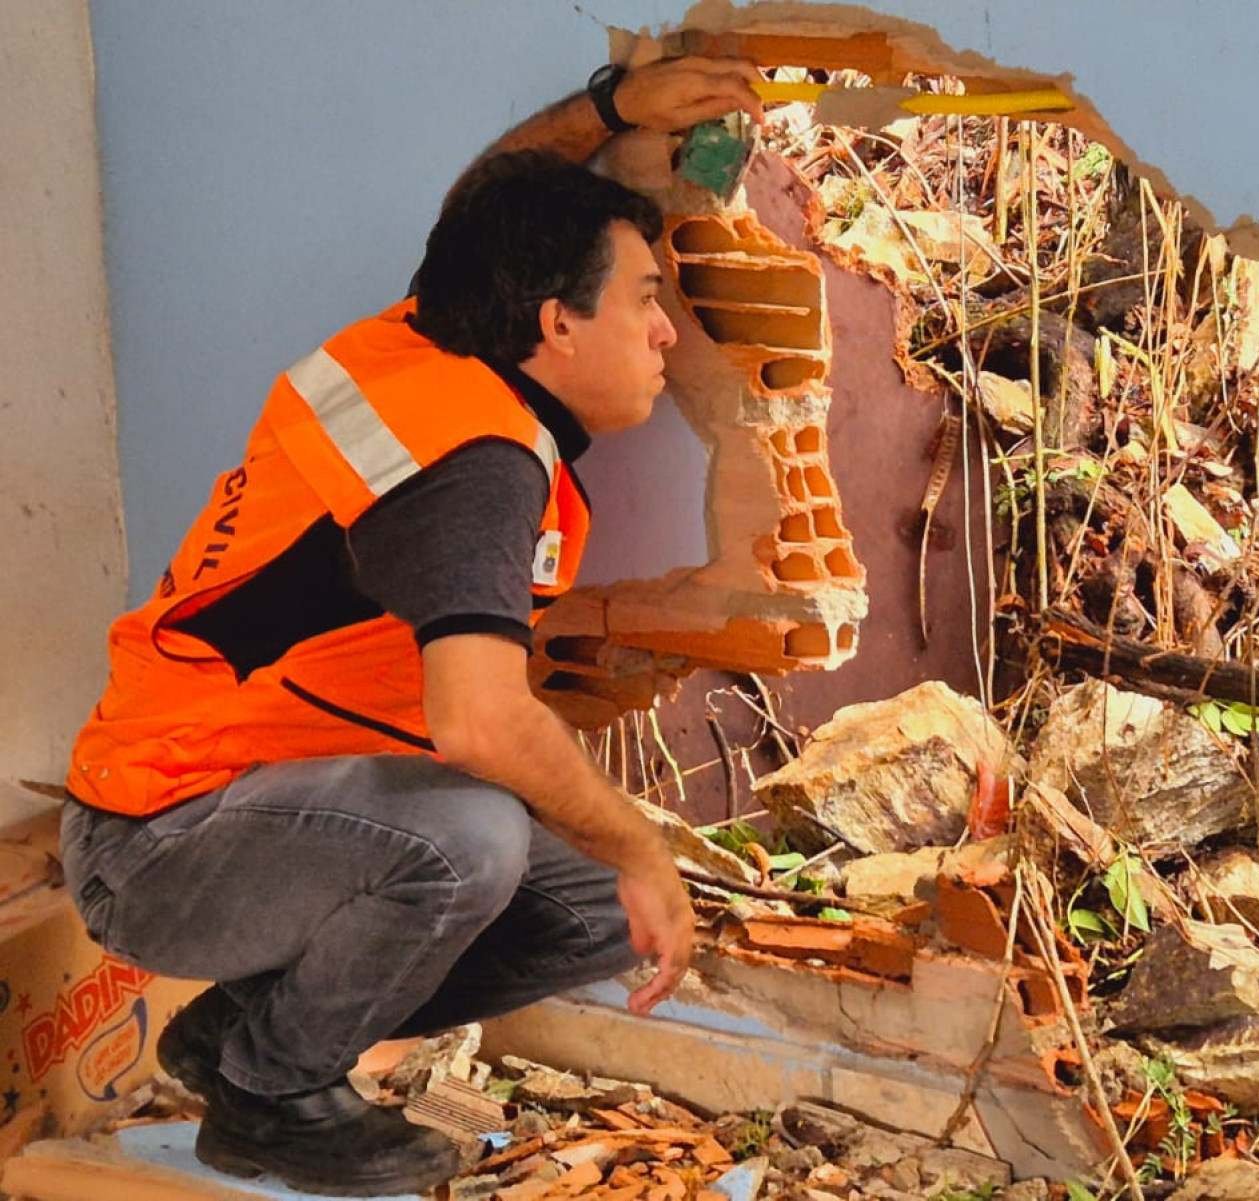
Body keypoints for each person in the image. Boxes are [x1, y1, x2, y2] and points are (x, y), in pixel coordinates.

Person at [58, 56, 763, 1196]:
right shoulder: (471, 468)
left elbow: (488, 203)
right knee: (473, 835)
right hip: (158, 840)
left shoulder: (431, 334)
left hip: (264, 802)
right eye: (646, 301)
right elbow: (478, 721)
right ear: (554, 323)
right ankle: (277, 1097)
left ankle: (243, 1041)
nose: (669, 335)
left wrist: (614, 109)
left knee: (592, 911)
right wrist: (641, 841)